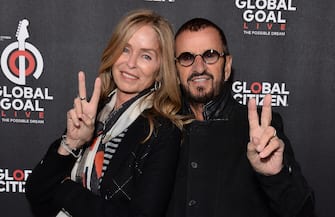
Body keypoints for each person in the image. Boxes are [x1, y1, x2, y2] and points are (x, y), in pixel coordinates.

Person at [25, 9, 184, 217]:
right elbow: (36, 191)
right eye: (125, 49)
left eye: (146, 55)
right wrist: (72, 143)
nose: (131, 63)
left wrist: (65, 189)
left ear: (160, 68)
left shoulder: (162, 130)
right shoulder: (96, 111)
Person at [166, 18, 316, 217]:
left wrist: (274, 175)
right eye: (186, 57)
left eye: (210, 55)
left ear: (227, 66)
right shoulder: (161, 128)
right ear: (175, 71)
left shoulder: (262, 127)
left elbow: (301, 212)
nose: (199, 67)